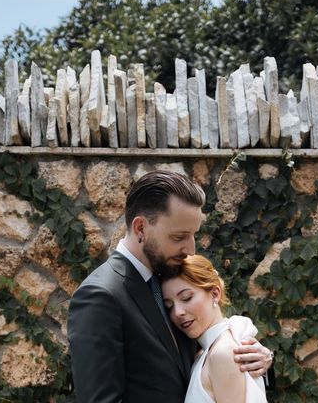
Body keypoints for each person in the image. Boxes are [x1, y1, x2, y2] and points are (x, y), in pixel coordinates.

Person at [68, 170, 273, 403]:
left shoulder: (168, 280)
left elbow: (206, 360)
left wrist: (259, 360)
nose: (190, 249)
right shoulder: (101, 296)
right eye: (179, 237)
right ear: (140, 229)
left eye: (193, 235)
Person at [162, 254, 268, 403]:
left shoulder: (223, 353)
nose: (178, 312)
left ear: (215, 293)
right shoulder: (204, 352)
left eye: (186, 298)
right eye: (169, 306)